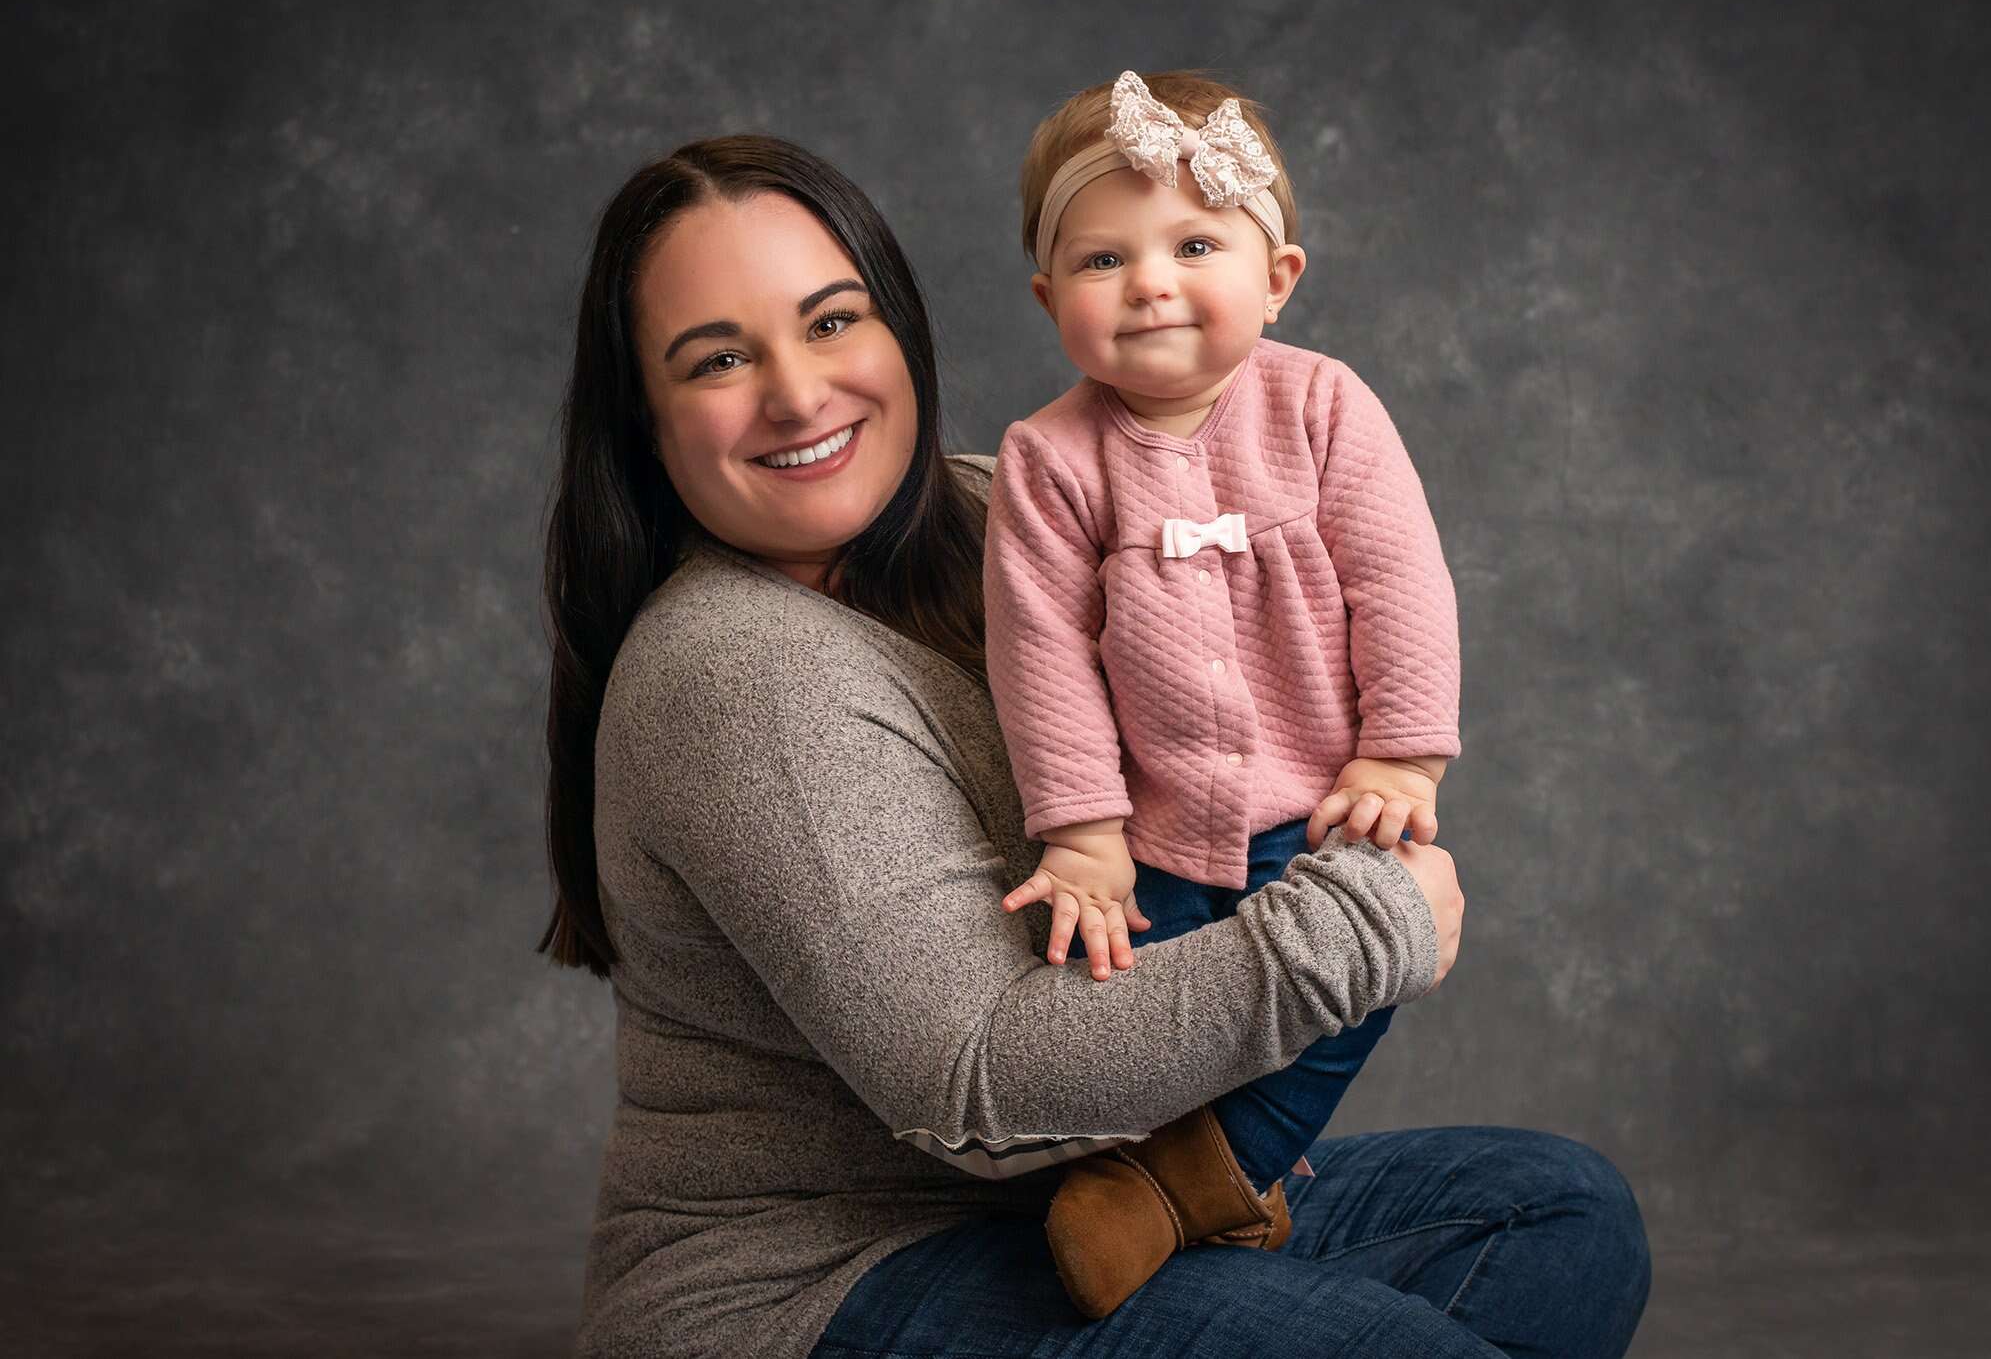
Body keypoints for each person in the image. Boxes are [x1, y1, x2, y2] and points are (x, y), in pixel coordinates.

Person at [540, 133, 1650, 1359]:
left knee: (1557, 1214)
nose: (799, 395)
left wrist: (1378, 762)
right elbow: (968, 1079)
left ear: (900, 332)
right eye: (719, 359)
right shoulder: (732, 669)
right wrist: (1362, 927)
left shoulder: (1006, 505)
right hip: (820, 1277)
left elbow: (1279, 671)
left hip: (1068, 1205)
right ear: (647, 424)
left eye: (830, 322)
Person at [984, 69, 1461, 1313]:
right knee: (1123, 1008)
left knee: (1361, 971)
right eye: (1101, 261)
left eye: (1194, 243)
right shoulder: (1049, 460)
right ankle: (1144, 1195)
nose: (1147, 281)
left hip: (1316, 812)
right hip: (1149, 836)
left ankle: (1189, 1190)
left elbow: (1399, 587)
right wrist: (1081, 835)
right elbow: (1038, 653)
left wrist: (1399, 760)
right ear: (1050, 301)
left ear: (1276, 276)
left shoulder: (1321, 409)